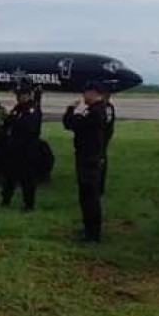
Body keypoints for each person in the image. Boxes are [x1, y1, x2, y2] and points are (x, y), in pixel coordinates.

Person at [63, 81, 109, 243]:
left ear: (96, 94)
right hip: (88, 156)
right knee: (85, 197)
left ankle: (92, 234)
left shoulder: (95, 112)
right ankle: (88, 229)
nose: (84, 96)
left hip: (90, 158)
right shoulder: (96, 110)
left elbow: (71, 124)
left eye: (87, 92)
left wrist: (72, 110)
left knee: (90, 198)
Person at [1, 82, 42, 210]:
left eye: (21, 95)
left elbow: (29, 128)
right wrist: (5, 118)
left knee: (27, 178)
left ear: (29, 95)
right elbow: (10, 122)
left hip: (27, 148)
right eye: (17, 95)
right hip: (14, 147)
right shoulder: (18, 108)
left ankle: (29, 204)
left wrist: (15, 121)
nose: (18, 98)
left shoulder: (33, 109)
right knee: (9, 176)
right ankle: (5, 200)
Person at [102, 91, 116, 195]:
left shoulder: (107, 107)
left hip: (102, 136)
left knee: (100, 158)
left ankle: (100, 186)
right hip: (103, 135)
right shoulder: (106, 107)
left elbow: (106, 123)